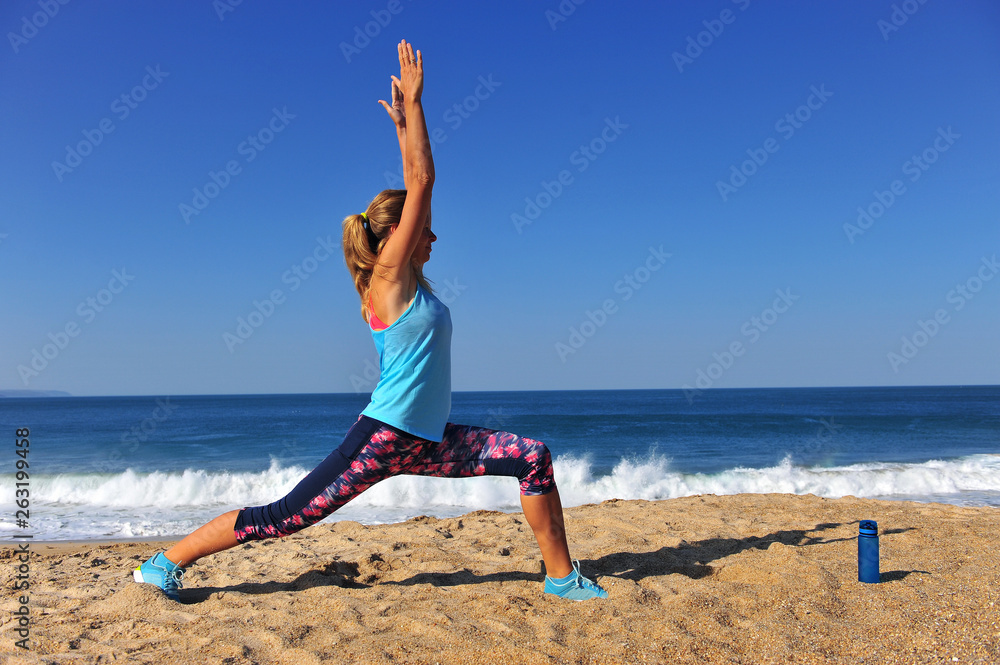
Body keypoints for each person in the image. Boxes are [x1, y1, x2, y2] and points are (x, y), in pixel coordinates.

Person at [133, 39, 606, 603]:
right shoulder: (387, 279)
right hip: (382, 438)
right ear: (397, 236)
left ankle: (560, 578)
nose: (434, 236)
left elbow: (418, 185)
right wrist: (418, 106)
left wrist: (404, 126)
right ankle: (164, 563)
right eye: (423, 229)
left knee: (532, 456)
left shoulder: (409, 284)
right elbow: (421, 180)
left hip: (427, 441)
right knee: (282, 518)